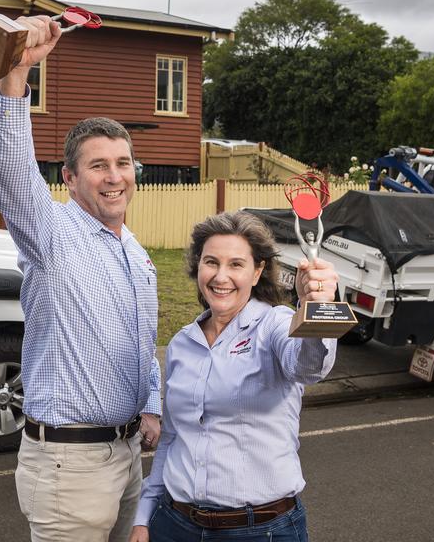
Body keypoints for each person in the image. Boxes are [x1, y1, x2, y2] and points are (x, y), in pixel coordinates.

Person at [0, 15, 163, 542]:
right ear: (69, 177)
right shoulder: (53, 233)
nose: (114, 177)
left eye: (123, 163)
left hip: (128, 452)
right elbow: (13, 174)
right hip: (70, 463)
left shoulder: (134, 251)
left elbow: (141, 340)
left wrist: (150, 404)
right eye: (98, 166)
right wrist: (14, 78)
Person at [129, 211, 339, 542]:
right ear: (198, 266)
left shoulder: (275, 325)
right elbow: (172, 439)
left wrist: (314, 308)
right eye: (211, 262)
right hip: (176, 524)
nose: (221, 276)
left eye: (236, 265)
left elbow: (309, 367)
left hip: (262, 530)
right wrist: (143, 515)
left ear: (257, 272)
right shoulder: (183, 343)